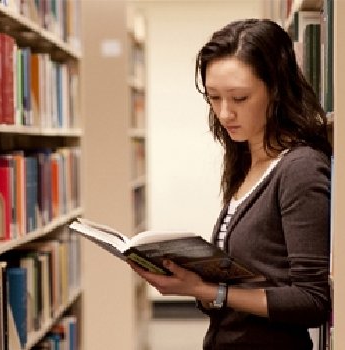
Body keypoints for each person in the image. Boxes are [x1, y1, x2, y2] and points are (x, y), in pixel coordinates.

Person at [129, 18, 332, 349]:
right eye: (213, 97)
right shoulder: (246, 161)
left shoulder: (300, 169)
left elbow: (312, 301)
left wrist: (207, 291)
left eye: (239, 98)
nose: (224, 114)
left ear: (276, 90)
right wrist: (195, 282)